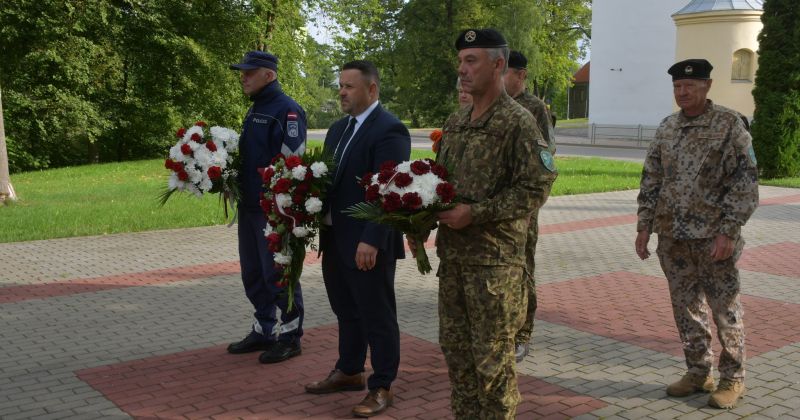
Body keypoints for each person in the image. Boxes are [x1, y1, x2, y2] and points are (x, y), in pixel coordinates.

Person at [434, 29, 557, 419]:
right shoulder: (456, 121)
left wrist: (476, 213)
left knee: (492, 368)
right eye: (460, 61)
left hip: (494, 268)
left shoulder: (518, 122)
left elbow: (536, 187)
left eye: (471, 61)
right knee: (458, 359)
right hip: (453, 261)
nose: (462, 69)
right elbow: (440, 182)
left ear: (498, 65)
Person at [635, 58, 759, 409]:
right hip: (673, 239)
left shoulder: (729, 125)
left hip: (713, 238)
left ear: (707, 86)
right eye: (677, 86)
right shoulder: (667, 127)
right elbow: (651, 179)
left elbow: (745, 182)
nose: (682, 92)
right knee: (686, 308)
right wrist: (644, 225)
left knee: (725, 309)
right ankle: (698, 371)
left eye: (690, 85)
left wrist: (729, 232)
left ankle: (733, 378)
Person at [304, 60, 411, 418]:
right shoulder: (337, 129)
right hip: (335, 237)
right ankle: (349, 370)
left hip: (368, 242)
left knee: (377, 315)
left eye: (349, 86)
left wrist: (372, 238)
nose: (341, 92)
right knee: (346, 309)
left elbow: (390, 189)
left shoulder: (389, 129)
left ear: (372, 89)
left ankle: (382, 386)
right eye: (340, 85)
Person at [226, 50, 307, 364]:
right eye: (242, 72)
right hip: (249, 206)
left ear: (268, 75)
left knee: (278, 274)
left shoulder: (287, 110)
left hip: (272, 210)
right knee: (253, 273)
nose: (243, 78)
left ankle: (290, 337)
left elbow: (292, 162)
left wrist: (280, 209)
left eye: (249, 72)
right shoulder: (256, 107)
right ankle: (264, 329)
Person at [504, 50, 557, 363]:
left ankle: (522, 334)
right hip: (493, 207)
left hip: (522, 206)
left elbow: (546, 154)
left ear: (520, 75)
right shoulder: (488, 103)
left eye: (505, 73)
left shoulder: (534, 107)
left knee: (523, 267)